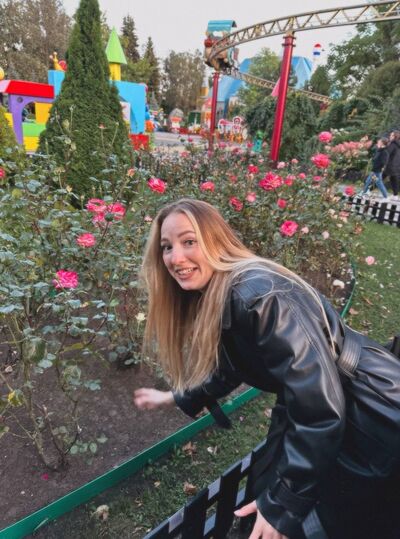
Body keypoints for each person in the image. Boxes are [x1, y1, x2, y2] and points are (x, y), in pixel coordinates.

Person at [134, 199, 400, 539]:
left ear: (216, 240)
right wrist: (174, 397)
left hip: (373, 417)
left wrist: (283, 506)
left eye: (189, 241)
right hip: (338, 408)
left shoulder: (257, 297)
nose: (175, 258)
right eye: (167, 247)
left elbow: (319, 409)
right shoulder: (223, 292)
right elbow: (233, 365)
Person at [384, 130, 400, 199]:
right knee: (394, 180)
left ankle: (368, 190)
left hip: (390, 165)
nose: (390, 136)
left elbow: (387, 153)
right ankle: (395, 195)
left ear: (395, 136)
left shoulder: (393, 144)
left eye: (391, 135)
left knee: (378, 177)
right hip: (397, 166)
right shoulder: (398, 144)